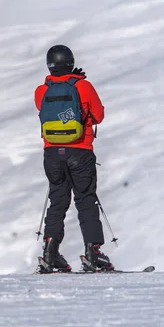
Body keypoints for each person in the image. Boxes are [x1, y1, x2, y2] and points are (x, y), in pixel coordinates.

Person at [34, 45, 114, 273]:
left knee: (58, 200)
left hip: (52, 154)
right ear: (70, 62)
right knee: (85, 199)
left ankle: (50, 252)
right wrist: (78, 83)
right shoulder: (83, 86)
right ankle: (93, 252)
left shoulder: (41, 91)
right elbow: (98, 115)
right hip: (80, 151)